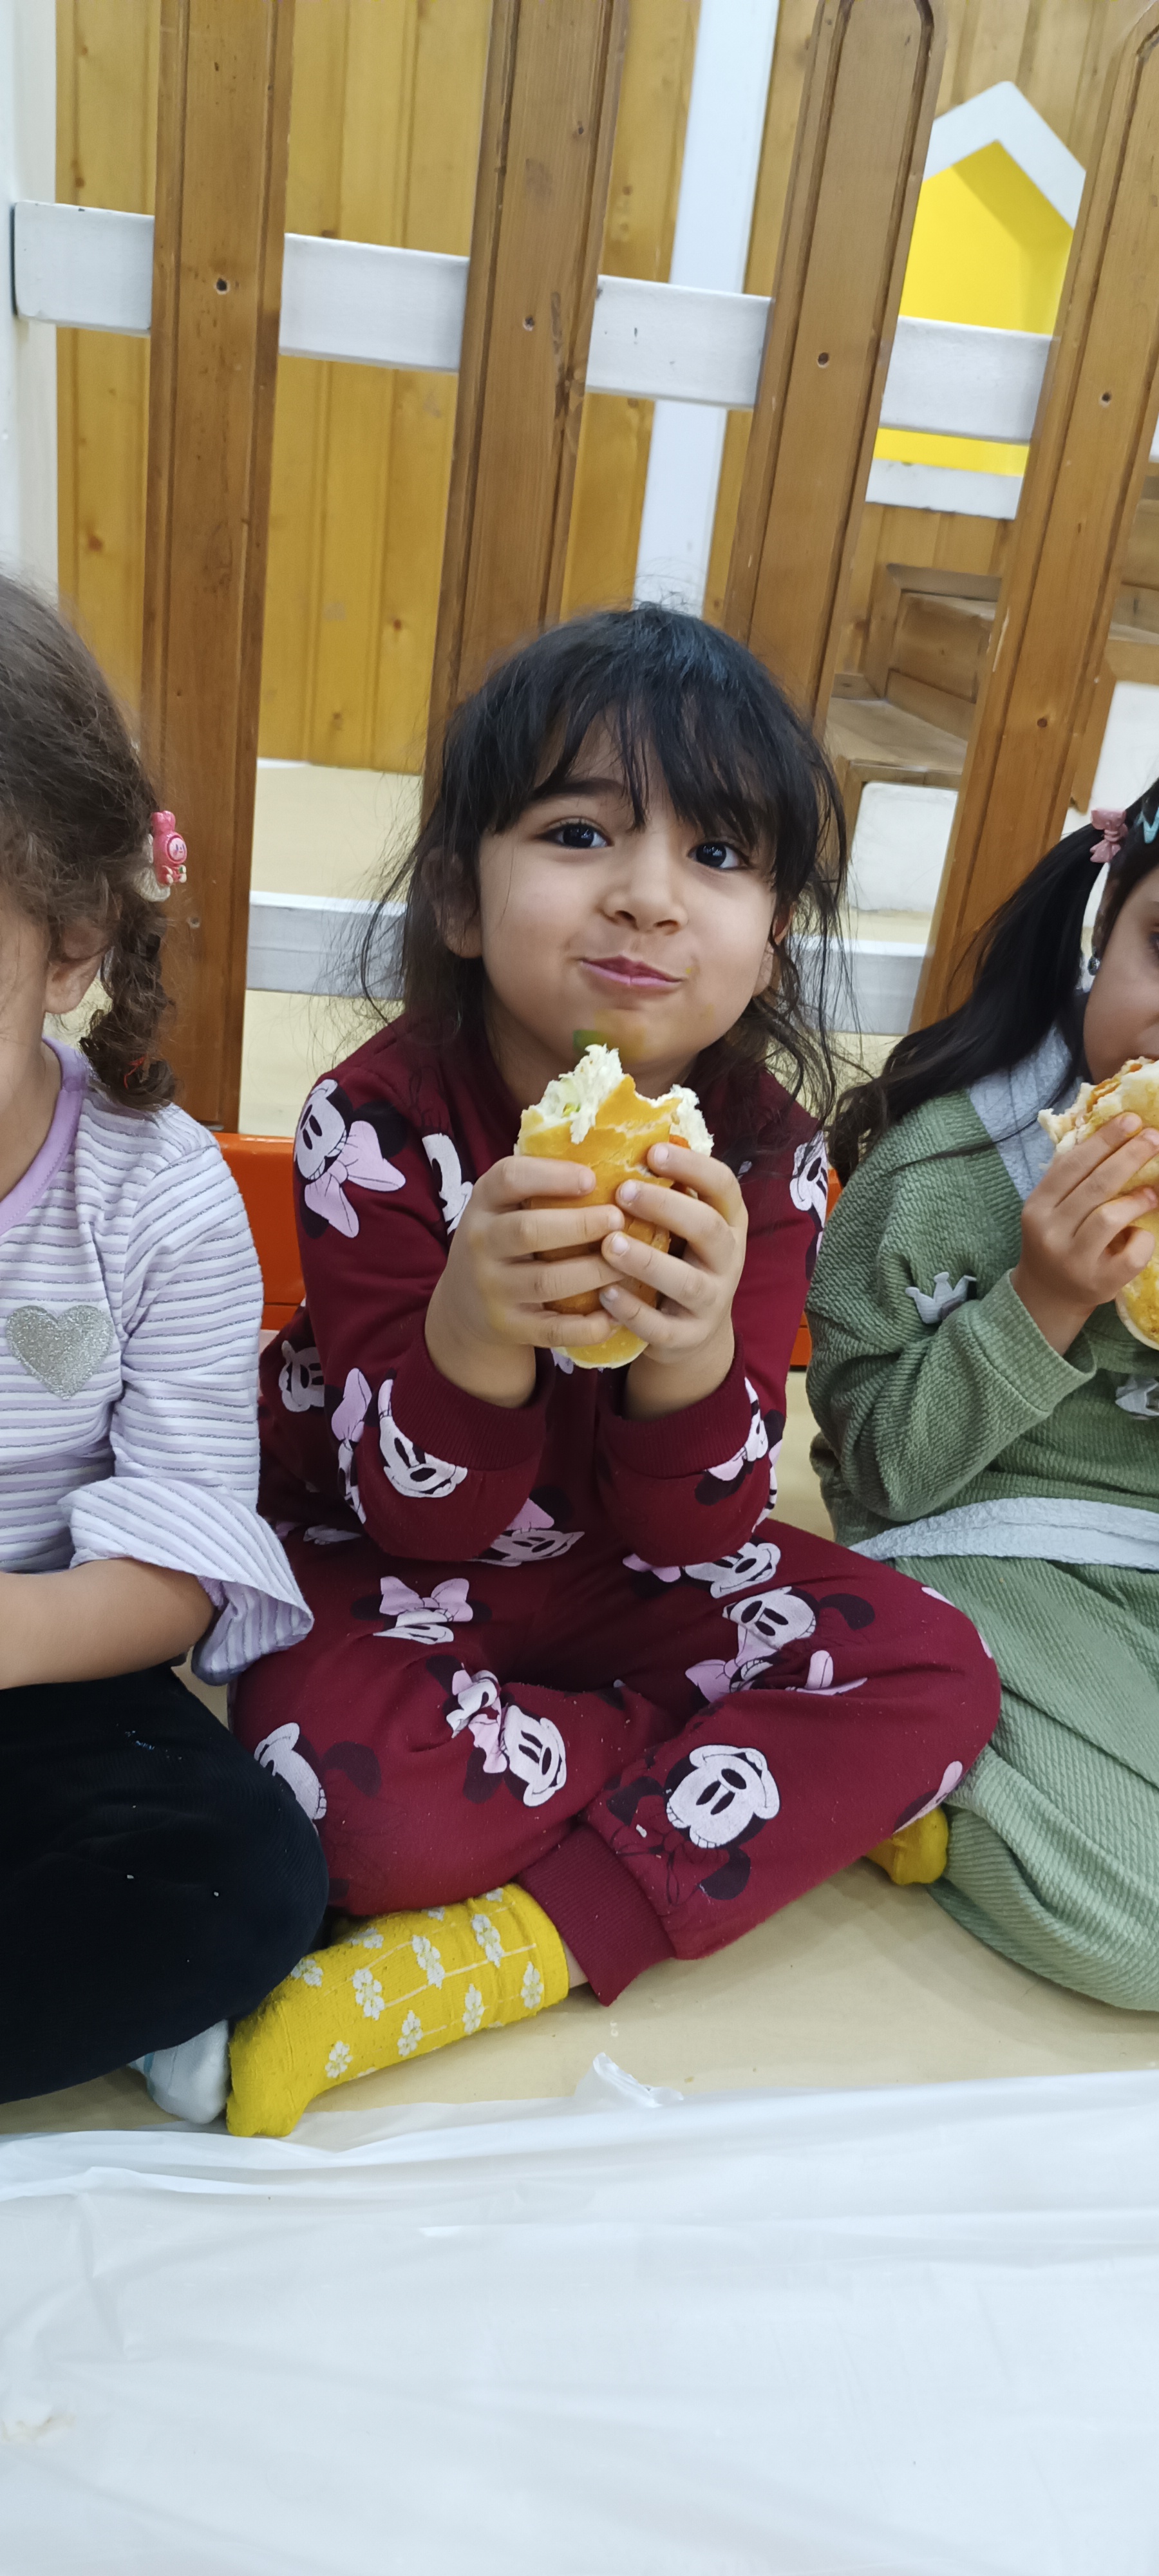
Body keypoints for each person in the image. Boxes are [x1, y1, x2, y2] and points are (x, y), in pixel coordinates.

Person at [227, 605, 997, 2136]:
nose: (648, 894)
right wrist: (473, 1324)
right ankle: (734, 1795)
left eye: (717, 854)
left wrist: (695, 1351)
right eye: (579, 833)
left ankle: (527, 1937)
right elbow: (416, 1514)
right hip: (387, 1563)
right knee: (351, 1806)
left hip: (630, 1571)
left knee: (938, 1674)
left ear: (772, 939)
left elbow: (703, 1531)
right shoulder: (375, 1124)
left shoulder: (768, 1157)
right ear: (461, 897)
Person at [0, 576, 326, 2123]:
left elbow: (176, 1569)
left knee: (242, 1876)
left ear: (70, 944)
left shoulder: (160, 1197)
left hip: (38, 1655)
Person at [809, 787, 1159, 2009]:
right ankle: (905, 1782)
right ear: (1104, 928)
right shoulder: (946, 1164)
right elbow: (878, 1469)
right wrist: (1042, 1298)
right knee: (1144, 1923)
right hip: (977, 1541)